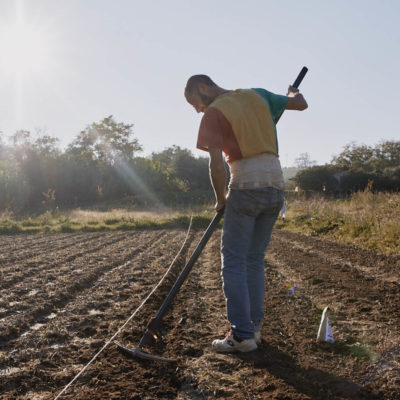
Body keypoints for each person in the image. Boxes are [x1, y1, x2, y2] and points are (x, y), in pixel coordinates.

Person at [184, 75, 307, 353]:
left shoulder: (215, 112)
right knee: (253, 260)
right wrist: (290, 93)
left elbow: (217, 165)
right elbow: (300, 104)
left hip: (245, 185)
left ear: (203, 87)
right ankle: (255, 329)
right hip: (275, 187)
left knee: (235, 262)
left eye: (195, 104)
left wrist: (220, 200)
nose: (198, 110)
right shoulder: (258, 95)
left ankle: (241, 335)